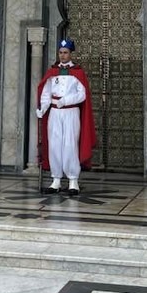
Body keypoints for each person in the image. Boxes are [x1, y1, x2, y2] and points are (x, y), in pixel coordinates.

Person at [36, 38, 96, 195]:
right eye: (60, 53)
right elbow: (46, 92)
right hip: (55, 113)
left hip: (71, 112)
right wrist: (42, 109)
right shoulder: (52, 72)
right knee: (55, 145)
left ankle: (73, 181)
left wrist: (66, 101)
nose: (62, 56)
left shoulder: (78, 72)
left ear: (71, 54)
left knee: (70, 145)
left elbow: (82, 95)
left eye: (65, 53)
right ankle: (56, 180)